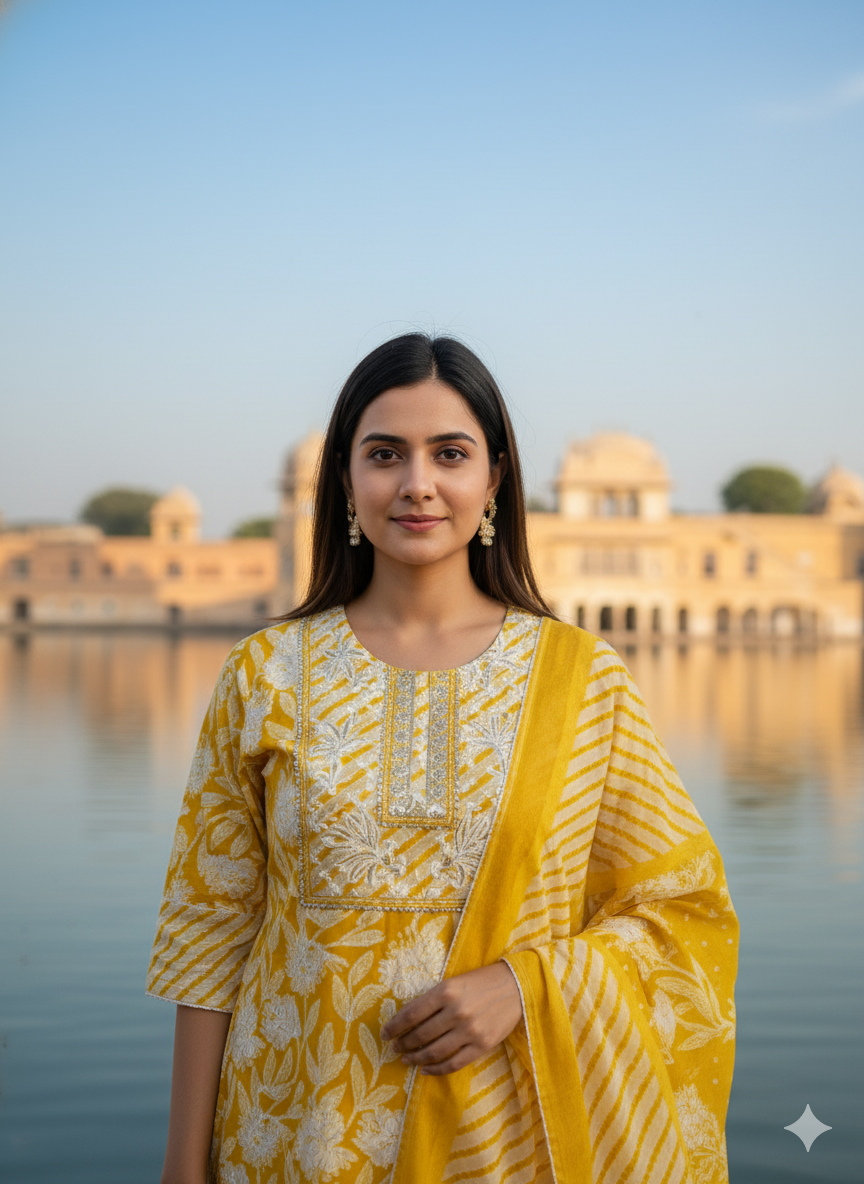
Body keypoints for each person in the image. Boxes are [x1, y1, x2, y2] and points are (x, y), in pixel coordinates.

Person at [147, 333, 738, 1184]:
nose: (417, 483)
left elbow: (680, 908)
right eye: (385, 454)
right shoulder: (266, 672)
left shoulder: (581, 680)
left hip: (500, 1144)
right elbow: (210, 929)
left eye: (450, 454)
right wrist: (182, 1164)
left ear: (494, 479)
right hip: (289, 1136)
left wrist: (524, 985)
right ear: (344, 479)